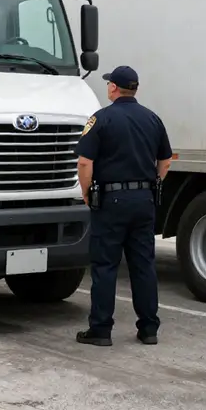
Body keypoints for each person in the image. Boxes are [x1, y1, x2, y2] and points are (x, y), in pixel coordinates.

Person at [74, 65, 173, 346]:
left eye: (109, 84)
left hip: (111, 201)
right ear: (135, 89)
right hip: (144, 201)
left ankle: (101, 330)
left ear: (114, 88)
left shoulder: (102, 119)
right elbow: (165, 161)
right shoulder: (153, 119)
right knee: (143, 265)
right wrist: (151, 183)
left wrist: (86, 192)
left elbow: (84, 162)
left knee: (105, 265)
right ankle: (149, 329)